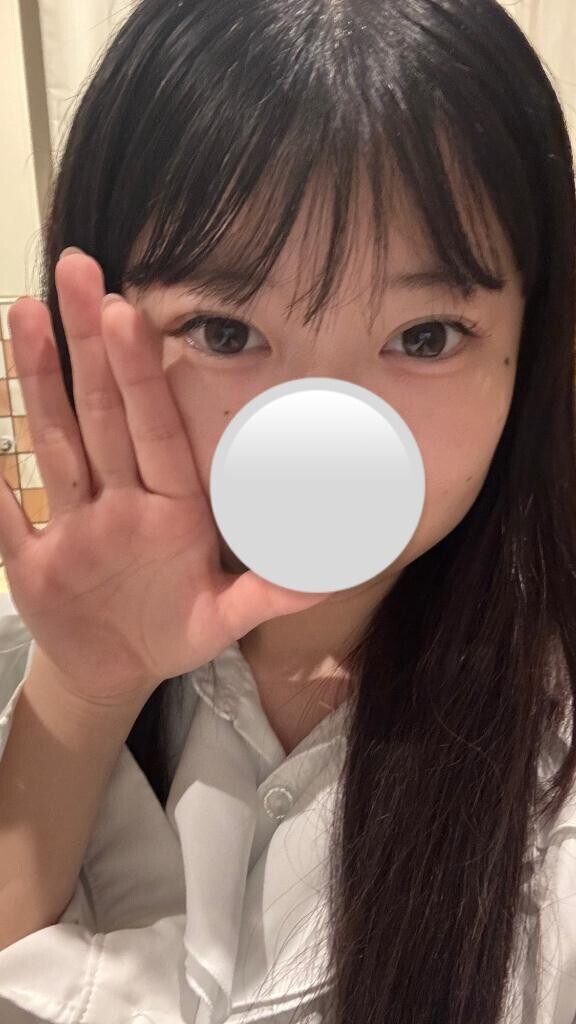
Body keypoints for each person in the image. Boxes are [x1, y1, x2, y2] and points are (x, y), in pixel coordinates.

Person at [0, 0, 575, 1021]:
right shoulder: (32, 649)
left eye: (427, 336)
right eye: (226, 331)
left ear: (526, 350)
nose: (323, 427)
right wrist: (85, 691)